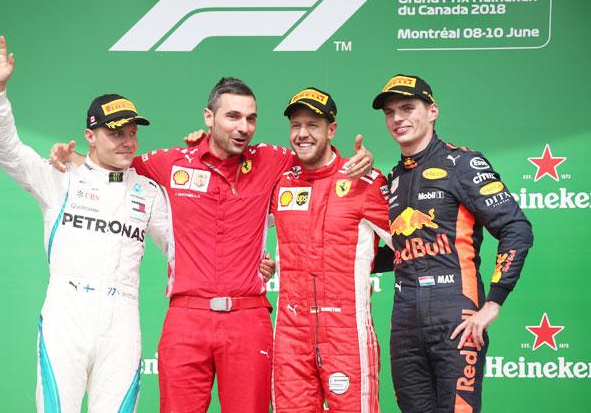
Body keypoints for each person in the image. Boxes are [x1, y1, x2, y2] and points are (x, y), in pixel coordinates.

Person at [51, 77, 374, 412]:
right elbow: (115, 165)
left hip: (247, 319)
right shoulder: (172, 162)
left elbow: (319, 160)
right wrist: (73, 158)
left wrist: (359, 160)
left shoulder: (272, 159)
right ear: (209, 117)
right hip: (186, 318)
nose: (244, 127)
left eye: (251, 118)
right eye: (232, 117)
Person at [0, 34, 169, 412]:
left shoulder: (148, 192)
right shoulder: (60, 177)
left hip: (122, 320)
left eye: (132, 133)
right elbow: (8, 150)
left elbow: (187, 245)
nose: (127, 142)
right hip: (67, 314)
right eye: (115, 133)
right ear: (90, 136)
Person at [371, 74, 534, 412]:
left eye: (407, 108)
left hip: (457, 316)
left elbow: (516, 228)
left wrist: (493, 303)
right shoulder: (394, 178)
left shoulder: (462, 163)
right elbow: (399, 252)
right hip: (404, 322)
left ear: (432, 111)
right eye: (390, 112)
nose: (398, 118)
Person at [269, 87, 393, 413]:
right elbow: (236, 224)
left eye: (313, 125)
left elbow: (411, 245)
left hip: (346, 335)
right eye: (296, 125)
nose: (302, 134)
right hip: (291, 336)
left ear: (332, 129)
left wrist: (365, 261)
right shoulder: (281, 182)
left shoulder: (364, 180)